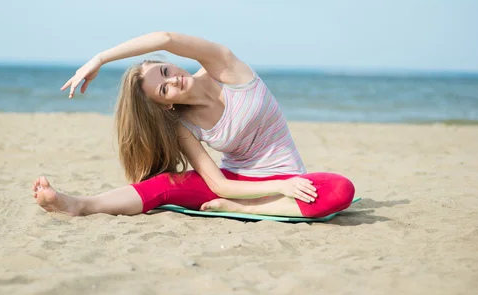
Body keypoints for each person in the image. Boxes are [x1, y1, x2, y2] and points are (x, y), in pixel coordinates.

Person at [32, 32, 355, 218]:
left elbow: (167, 38)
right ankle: (78, 205)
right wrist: (274, 191)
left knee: (340, 191)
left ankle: (240, 209)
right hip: (238, 182)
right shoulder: (180, 122)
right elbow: (220, 185)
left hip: (286, 174)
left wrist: (100, 58)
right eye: (164, 89)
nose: (174, 80)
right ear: (165, 104)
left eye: (166, 71)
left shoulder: (225, 68)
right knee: (164, 185)